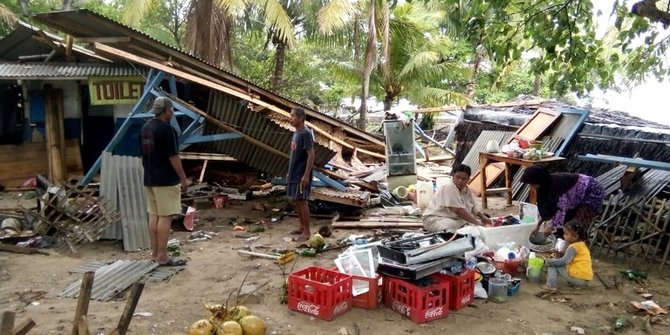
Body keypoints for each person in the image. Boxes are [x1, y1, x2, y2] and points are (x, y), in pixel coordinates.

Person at [140, 97, 188, 266]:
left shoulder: (145, 128)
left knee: (154, 216)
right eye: (172, 110)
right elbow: (173, 156)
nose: (172, 112)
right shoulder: (167, 130)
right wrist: (183, 178)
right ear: (167, 110)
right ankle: (162, 256)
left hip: (149, 178)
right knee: (165, 217)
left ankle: (154, 253)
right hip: (166, 180)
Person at [520, 165, 605, 236]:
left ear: (539, 180)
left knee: (576, 226)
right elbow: (548, 209)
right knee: (564, 227)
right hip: (575, 197)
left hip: (591, 192)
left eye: (532, 184)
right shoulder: (544, 188)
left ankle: (579, 249)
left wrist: (551, 226)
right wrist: (538, 225)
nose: (532, 187)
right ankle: (564, 245)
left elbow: (561, 209)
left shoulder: (557, 186)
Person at [422, 164, 492, 232]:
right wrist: (477, 223)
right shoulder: (448, 187)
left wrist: (482, 217)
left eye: (463, 179)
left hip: (452, 218)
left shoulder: (466, 189)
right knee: (451, 229)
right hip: (435, 219)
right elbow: (458, 210)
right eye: (457, 177)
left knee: (470, 222)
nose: (460, 181)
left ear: (468, 179)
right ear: (453, 176)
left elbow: (473, 207)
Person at [287, 107, 315, 242]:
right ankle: (301, 226)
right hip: (294, 173)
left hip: (301, 174)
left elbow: (311, 155)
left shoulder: (306, 133)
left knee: (302, 201)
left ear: (300, 118)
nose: (290, 118)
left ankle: (307, 231)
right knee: (296, 200)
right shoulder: (296, 133)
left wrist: (306, 175)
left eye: (293, 116)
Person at [541, 219, 593, 291]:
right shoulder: (582, 245)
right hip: (585, 279)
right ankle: (575, 284)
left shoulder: (573, 247)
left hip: (578, 279)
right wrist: (559, 254)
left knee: (552, 264)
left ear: (575, 236)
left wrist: (548, 261)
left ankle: (550, 285)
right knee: (558, 262)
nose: (563, 236)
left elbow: (564, 261)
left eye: (566, 234)